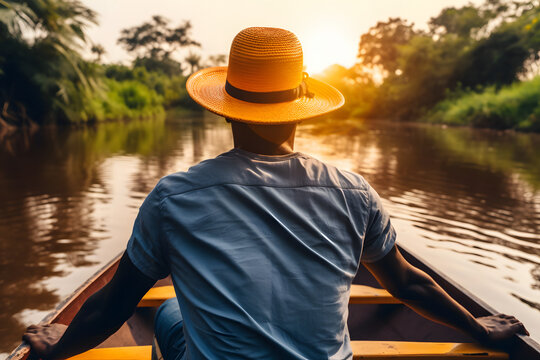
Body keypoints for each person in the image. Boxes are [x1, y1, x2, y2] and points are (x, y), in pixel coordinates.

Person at [23, 27, 528, 360]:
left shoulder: (173, 197)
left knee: (172, 311)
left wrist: (57, 347)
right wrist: (481, 330)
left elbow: (113, 307)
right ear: (301, 107)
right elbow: (409, 286)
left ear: (224, 109)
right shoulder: (354, 193)